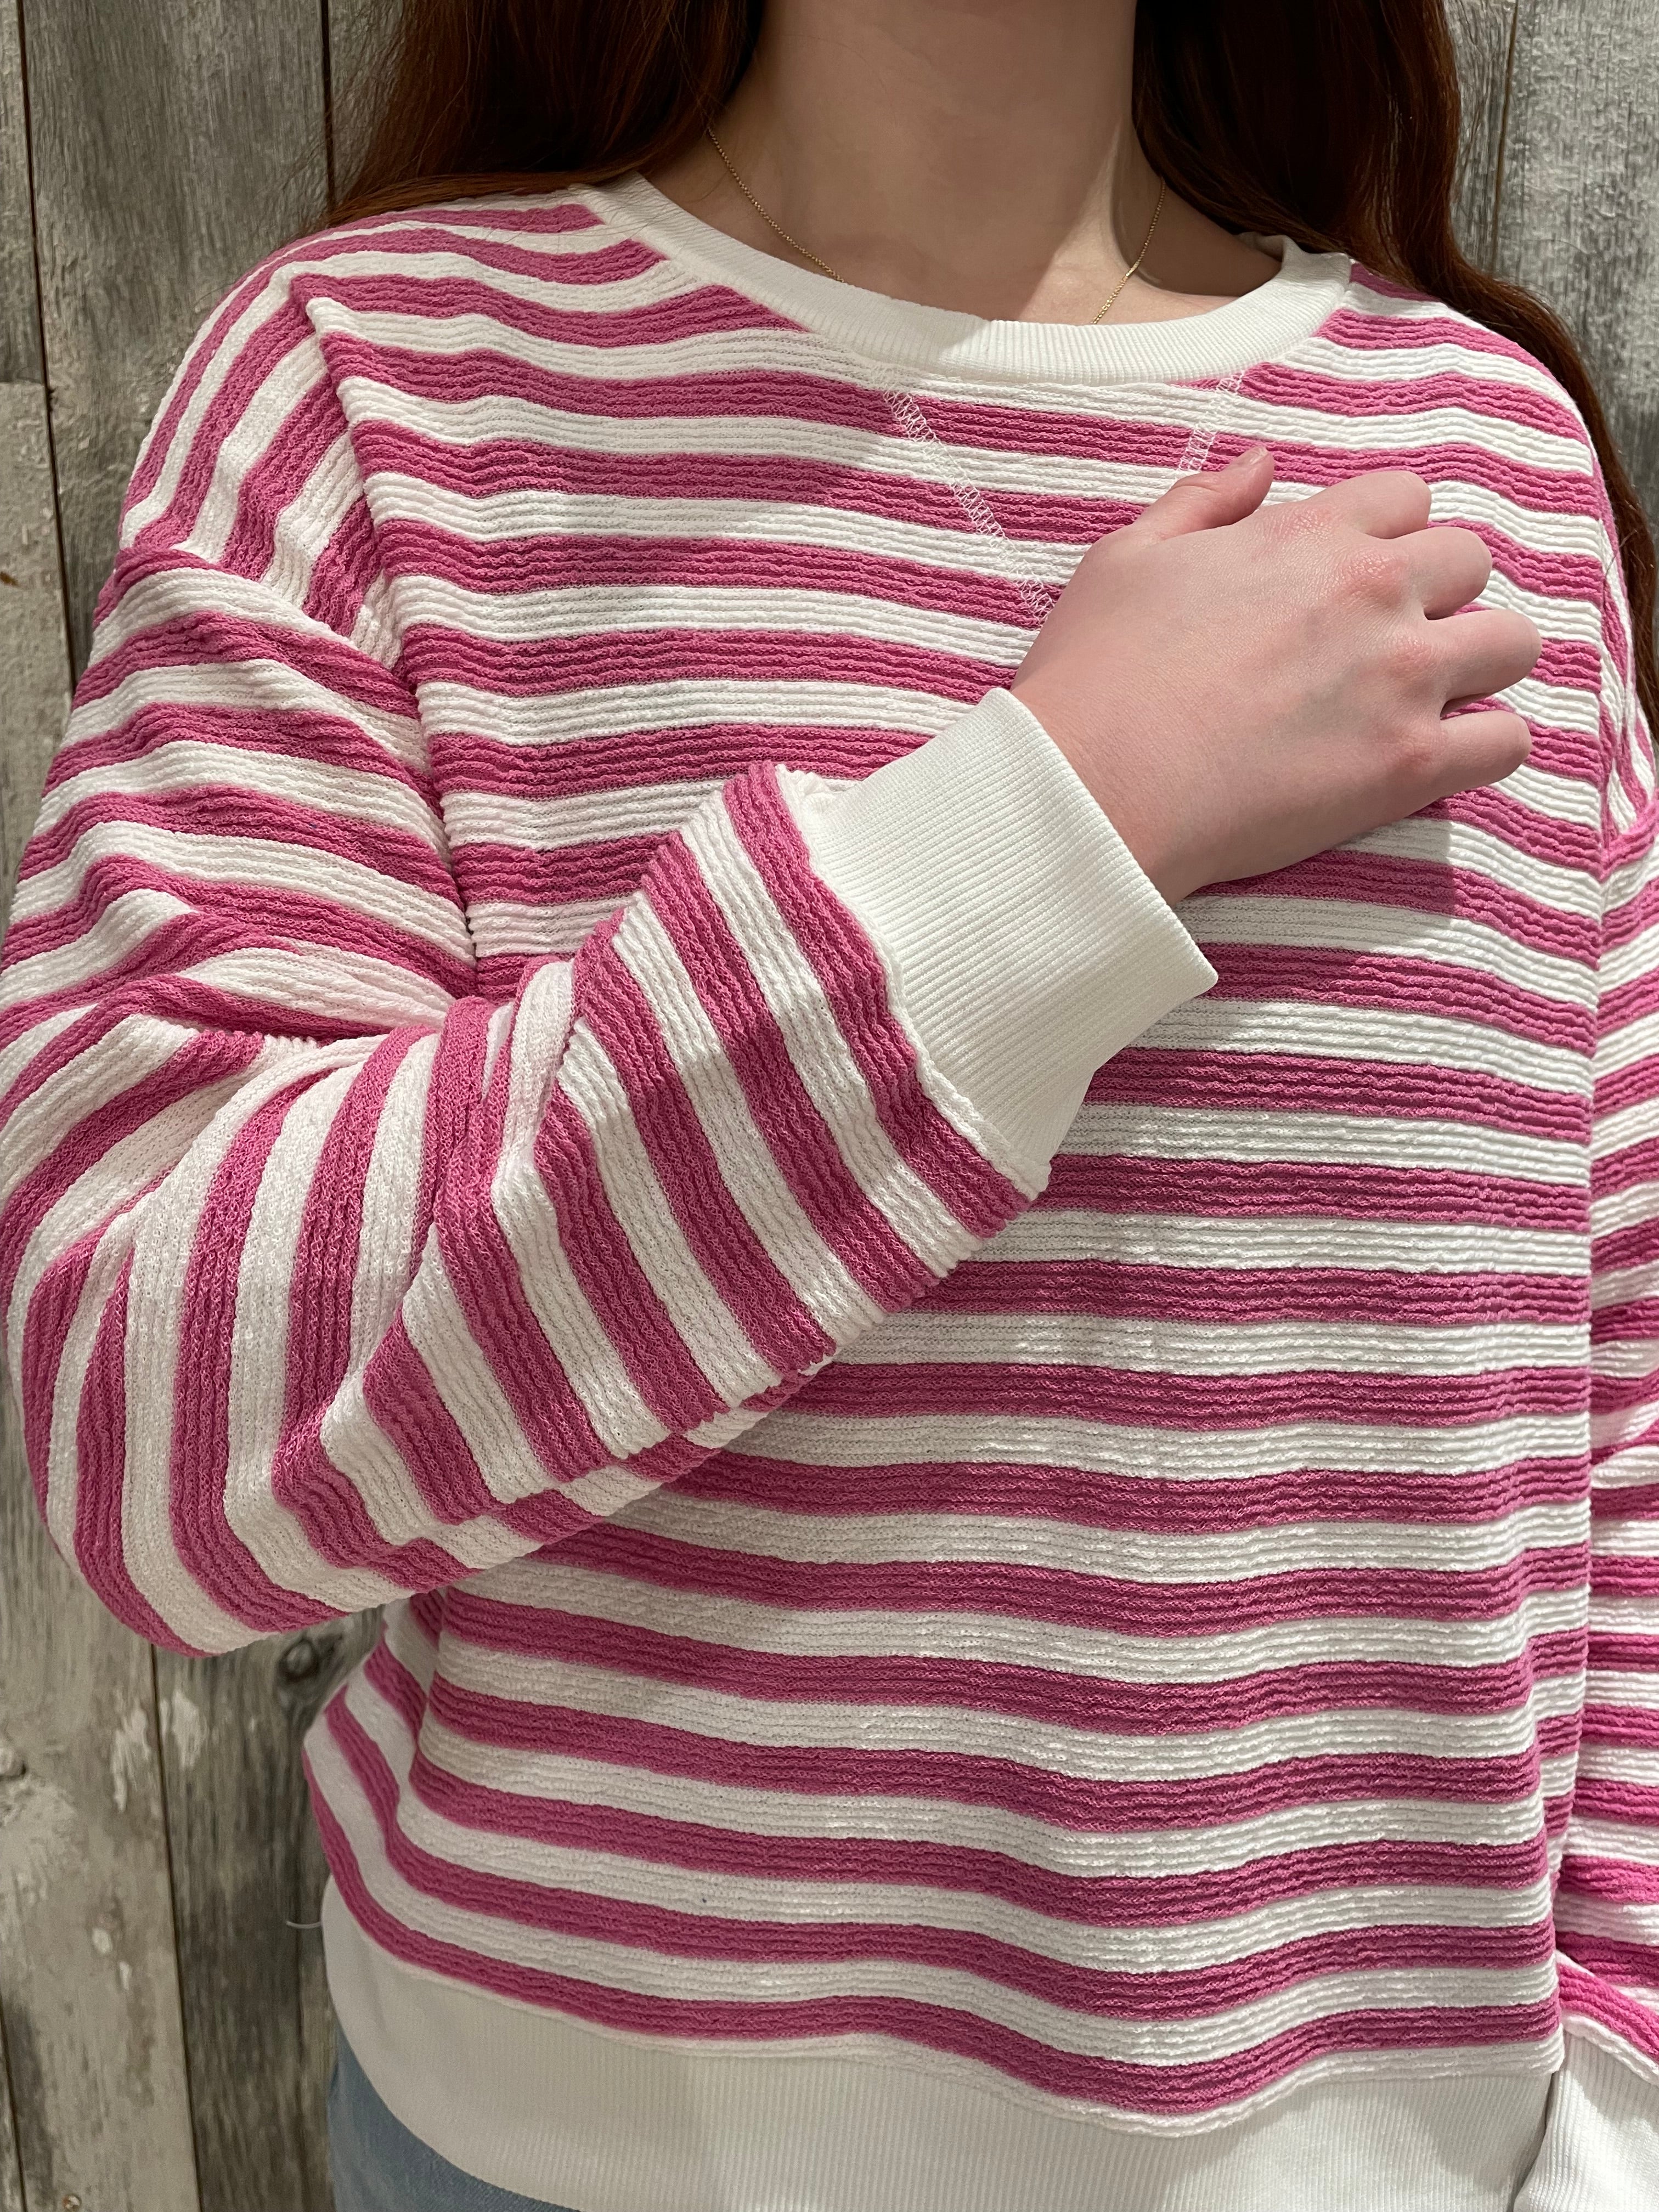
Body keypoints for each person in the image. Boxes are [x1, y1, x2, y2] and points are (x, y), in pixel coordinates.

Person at [2, 0, 1655, 2204]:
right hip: (573, 2159)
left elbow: (1624, 1376)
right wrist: (1039, 840)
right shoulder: (378, 392)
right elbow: (151, 1421)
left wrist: (1623, 2113)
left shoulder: (1485, 454)